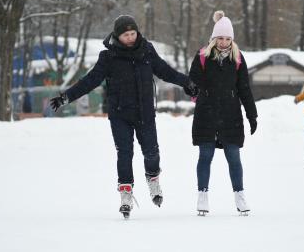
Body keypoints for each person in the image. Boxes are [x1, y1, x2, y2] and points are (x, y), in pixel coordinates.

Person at [50, 15, 197, 218]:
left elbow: (165, 71)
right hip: (120, 114)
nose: (130, 38)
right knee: (124, 153)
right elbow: (90, 81)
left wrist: (186, 82)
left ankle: (153, 178)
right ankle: (126, 193)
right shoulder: (108, 57)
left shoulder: (147, 50)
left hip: (144, 112)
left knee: (152, 152)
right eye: (126, 35)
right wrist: (67, 97)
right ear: (118, 36)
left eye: (133, 33)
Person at [185, 11, 258, 216]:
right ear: (213, 38)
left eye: (228, 38)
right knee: (205, 156)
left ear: (232, 39)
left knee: (234, 158)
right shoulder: (202, 57)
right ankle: (202, 195)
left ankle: (240, 195)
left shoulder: (238, 59)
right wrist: (191, 88)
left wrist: (252, 115)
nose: (224, 42)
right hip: (206, 114)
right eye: (220, 38)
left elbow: (244, 88)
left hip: (230, 115)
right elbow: (193, 81)